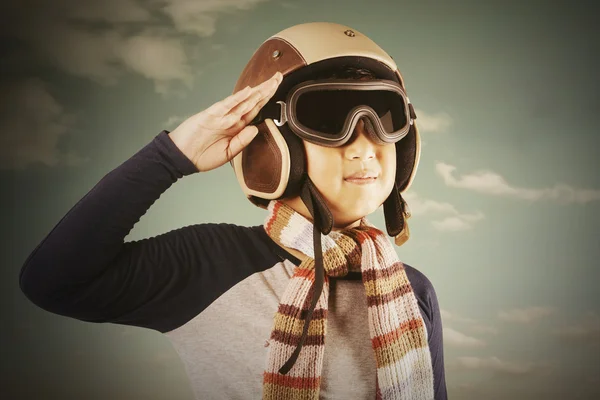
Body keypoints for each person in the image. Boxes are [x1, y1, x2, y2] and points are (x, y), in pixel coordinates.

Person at [19, 22, 447, 399]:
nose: (365, 147)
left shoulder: (414, 291)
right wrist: (170, 157)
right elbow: (54, 281)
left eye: (384, 119)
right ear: (275, 148)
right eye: (328, 120)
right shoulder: (211, 263)